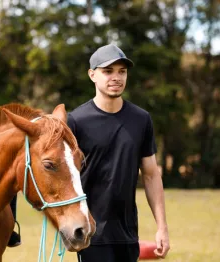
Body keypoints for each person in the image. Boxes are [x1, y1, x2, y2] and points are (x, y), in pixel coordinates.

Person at [67, 44, 170, 262]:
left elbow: (151, 174)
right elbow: (65, 177)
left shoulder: (141, 120)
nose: (116, 77)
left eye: (122, 71)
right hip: (92, 235)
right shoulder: (76, 121)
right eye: (108, 71)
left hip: (128, 233)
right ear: (92, 75)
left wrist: (162, 227)